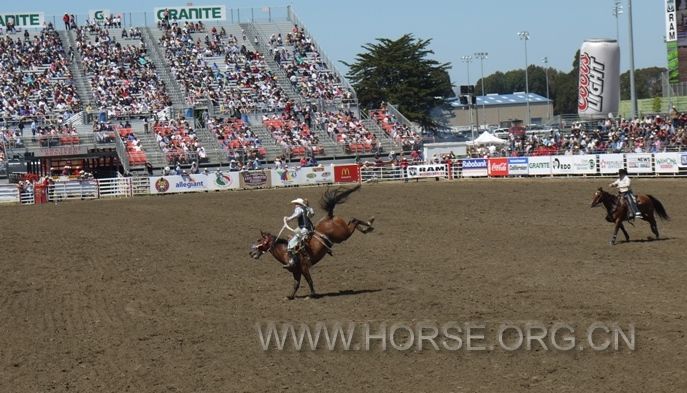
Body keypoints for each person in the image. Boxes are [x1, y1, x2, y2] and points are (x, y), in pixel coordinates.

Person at [283, 198, 315, 269]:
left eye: (295, 204)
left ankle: (292, 262)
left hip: (304, 229)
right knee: (295, 232)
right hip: (309, 228)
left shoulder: (299, 209)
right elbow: (312, 214)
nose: (295, 205)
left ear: (298, 204)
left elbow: (296, 215)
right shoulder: (306, 209)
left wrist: (288, 218)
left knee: (290, 244)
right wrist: (307, 206)